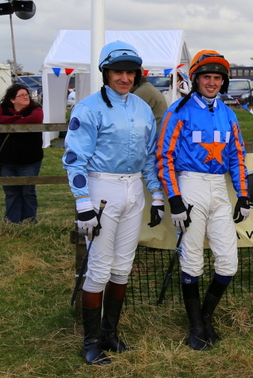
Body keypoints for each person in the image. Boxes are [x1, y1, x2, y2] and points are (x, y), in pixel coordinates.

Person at [62, 40, 164, 365]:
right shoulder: (88, 107)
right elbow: (74, 158)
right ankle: (90, 342)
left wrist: (157, 194)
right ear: (106, 73)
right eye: (118, 71)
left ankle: (110, 334)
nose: (124, 77)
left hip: (133, 190)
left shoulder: (142, 107)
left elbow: (149, 157)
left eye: (130, 72)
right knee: (99, 268)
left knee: (122, 268)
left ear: (137, 74)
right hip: (101, 189)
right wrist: (82, 201)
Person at [157, 50, 250, 350]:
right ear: (195, 79)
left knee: (228, 263)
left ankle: (205, 317)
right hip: (190, 185)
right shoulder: (178, 111)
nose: (211, 83)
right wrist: (174, 199)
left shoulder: (228, 113)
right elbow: (164, 157)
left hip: (219, 188)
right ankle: (195, 326)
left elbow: (237, 156)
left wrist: (243, 195)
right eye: (206, 77)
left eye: (217, 78)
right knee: (192, 259)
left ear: (223, 82)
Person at [0, 84, 44, 224]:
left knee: (28, 192)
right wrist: (19, 118)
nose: (26, 97)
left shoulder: (35, 110)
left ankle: (29, 221)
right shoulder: (2, 110)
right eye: (22, 95)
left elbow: (34, 120)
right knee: (11, 192)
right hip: (7, 160)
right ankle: (12, 222)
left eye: (26, 94)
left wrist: (11, 120)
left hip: (30, 159)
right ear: (12, 99)